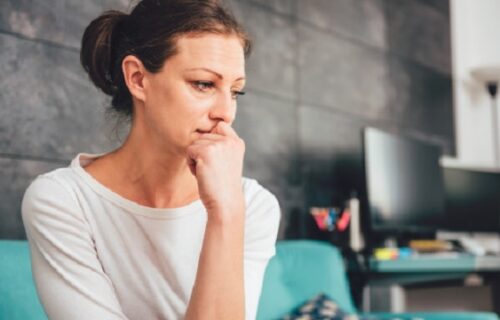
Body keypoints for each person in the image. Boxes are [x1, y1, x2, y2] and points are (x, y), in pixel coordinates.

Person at [21, 0, 281, 319]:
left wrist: (226, 212)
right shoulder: (62, 201)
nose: (225, 113)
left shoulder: (253, 206)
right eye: (204, 84)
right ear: (138, 79)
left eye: (235, 92)